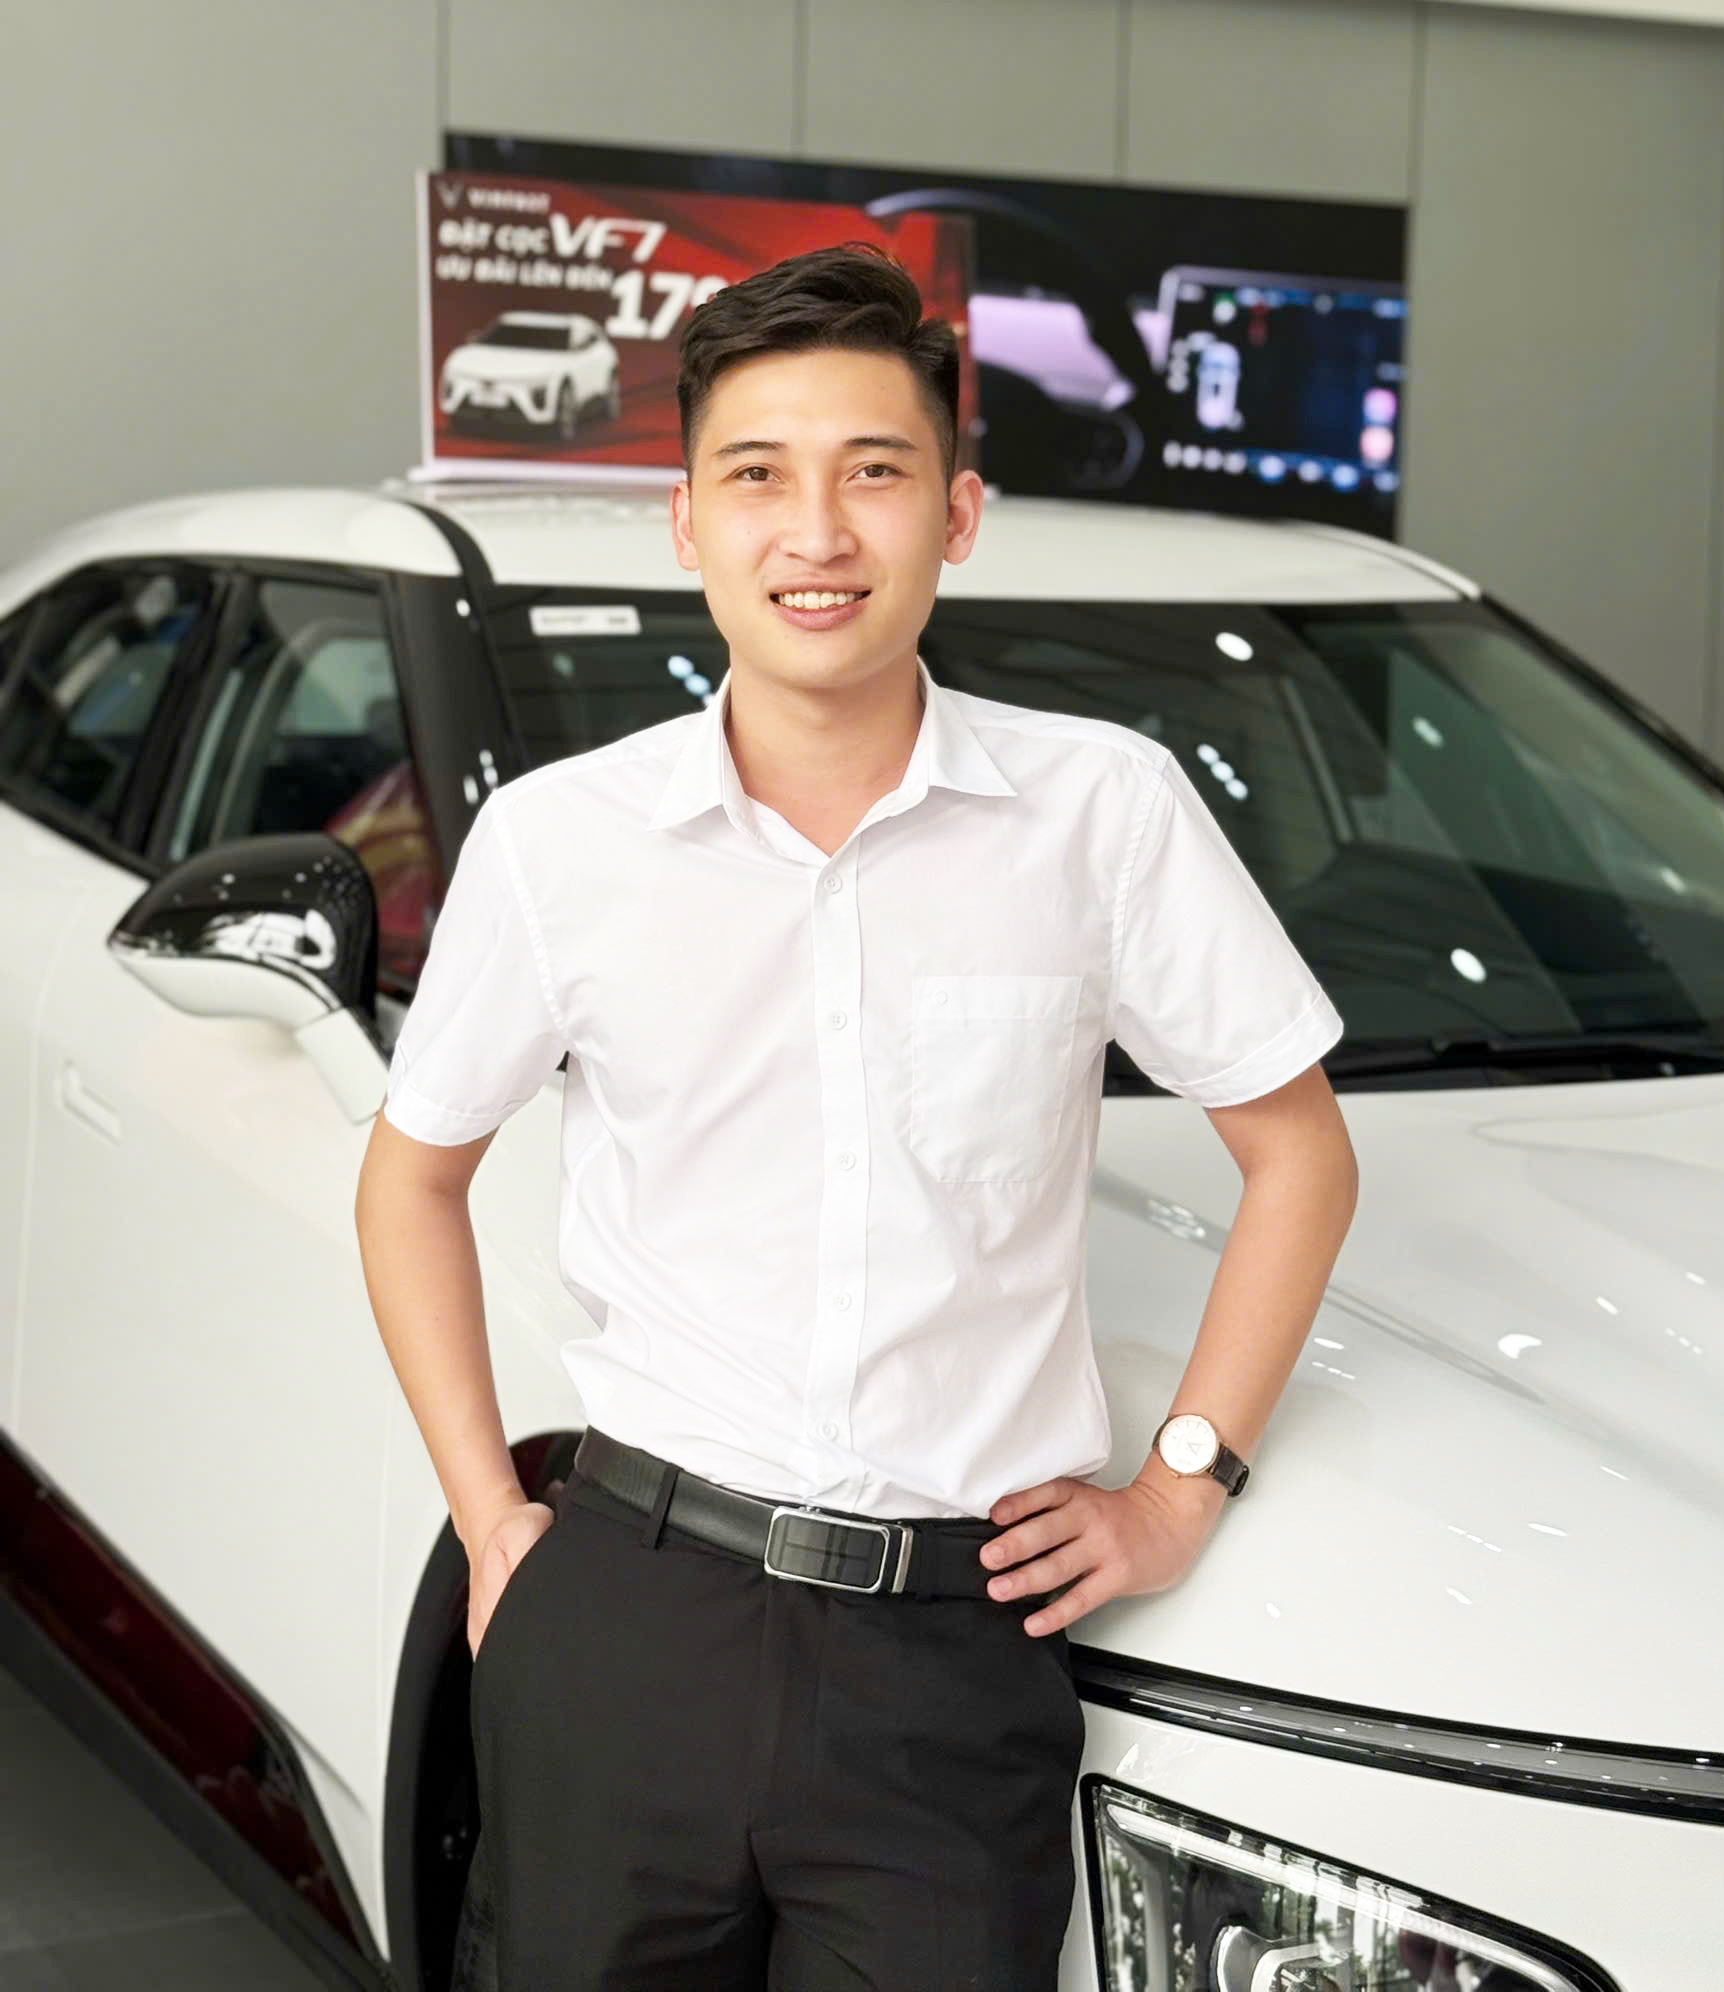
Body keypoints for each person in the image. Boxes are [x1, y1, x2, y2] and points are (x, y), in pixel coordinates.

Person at [354, 241, 1359, 1991]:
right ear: (688, 523)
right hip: (633, 1611)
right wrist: (492, 1520)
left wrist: (1177, 1490)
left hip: (946, 1658)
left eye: (872, 473)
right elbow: (408, 1181)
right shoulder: (561, 841)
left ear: (955, 515)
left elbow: (1299, 1155)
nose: (814, 532)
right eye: (757, 476)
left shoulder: (1099, 812)